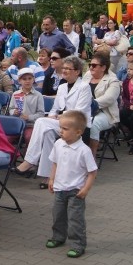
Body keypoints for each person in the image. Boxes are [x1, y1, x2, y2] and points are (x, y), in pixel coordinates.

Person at [14, 56, 92, 188]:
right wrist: (52, 116)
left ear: (77, 72)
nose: (64, 71)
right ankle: (49, 176)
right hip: (60, 123)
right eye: (64, 68)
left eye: (68, 69)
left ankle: (30, 160)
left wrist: (60, 116)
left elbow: (79, 111)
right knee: (47, 133)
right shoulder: (62, 87)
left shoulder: (84, 87)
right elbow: (55, 109)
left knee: (40, 122)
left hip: (77, 124)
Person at [45, 110, 97, 257]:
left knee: (75, 219)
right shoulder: (58, 144)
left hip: (76, 191)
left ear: (78, 132)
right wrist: (51, 179)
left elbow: (92, 172)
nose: (61, 131)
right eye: (60, 128)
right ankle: (58, 237)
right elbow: (55, 163)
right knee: (58, 215)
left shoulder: (84, 150)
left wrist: (86, 189)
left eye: (65, 129)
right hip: (59, 188)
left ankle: (78, 244)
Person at [85, 51, 120, 159]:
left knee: (93, 123)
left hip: (105, 113)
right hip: (85, 110)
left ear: (103, 67)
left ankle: (91, 156)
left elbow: (109, 98)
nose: (91, 67)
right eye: (90, 65)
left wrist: (91, 104)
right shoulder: (87, 76)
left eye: (94, 65)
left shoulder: (113, 80)